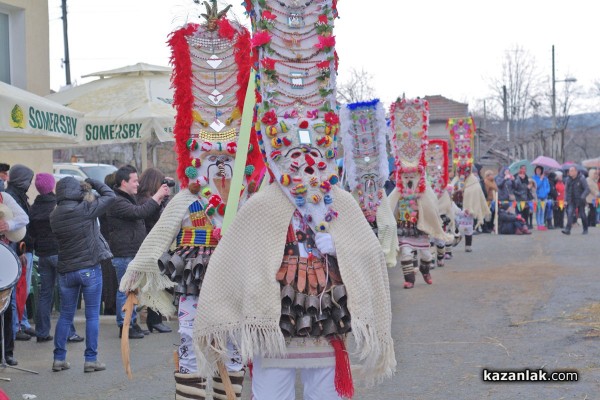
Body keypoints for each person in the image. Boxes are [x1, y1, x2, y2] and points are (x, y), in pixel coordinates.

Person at [49, 176, 115, 372]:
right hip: (89, 268)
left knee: (65, 316)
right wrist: (94, 182)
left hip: (66, 271)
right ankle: (90, 359)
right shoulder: (85, 209)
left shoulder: (54, 215)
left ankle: (59, 358)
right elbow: (110, 195)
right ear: (77, 191)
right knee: (92, 316)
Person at [106, 165, 170, 339]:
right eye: (134, 181)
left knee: (132, 290)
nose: (137, 184)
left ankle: (132, 323)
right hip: (124, 252)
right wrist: (158, 196)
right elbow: (140, 213)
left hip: (131, 251)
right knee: (125, 290)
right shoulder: (117, 201)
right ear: (123, 182)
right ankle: (125, 325)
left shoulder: (127, 198)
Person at [29, 173, 82, 343]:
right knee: (65, 292)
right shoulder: (57, 205)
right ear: (52, 186)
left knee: (45, 294)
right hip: (60, 253)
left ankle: (42, 332)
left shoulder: (33, 208)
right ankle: (69, 332)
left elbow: (31, 235)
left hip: (43, 255)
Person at [135, 167, 172, 333]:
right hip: (149, 246)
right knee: (152, 284)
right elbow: (155, 217)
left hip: (153, 246)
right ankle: (154, 320)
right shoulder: (144, 201)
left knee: (153, 284)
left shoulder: (148, 199)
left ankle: (154, 319)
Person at [5, 164, 35, 341]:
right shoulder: (13, 197)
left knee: (23, 289)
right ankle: (16, 326)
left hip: (24, 248)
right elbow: (21, 223)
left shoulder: (19, 196)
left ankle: (22, 322)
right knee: (17, 289)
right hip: (20, 250)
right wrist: (21, 250)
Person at [0, 190, 29, 366]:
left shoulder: (5, 197)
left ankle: (7, 352)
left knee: (6, 307)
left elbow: (23, 218)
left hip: (4, 256)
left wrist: (8, 225)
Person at [98, 172, 118, 316]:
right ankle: (112, 306)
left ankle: (108, 306)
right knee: (112, 277)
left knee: (108, 277)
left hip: (104, 241)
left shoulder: (101, 201)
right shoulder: (113, 201)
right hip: (112, 241)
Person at [562, 166, 590, 235]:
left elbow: (587, 189)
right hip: (571, 200)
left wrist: (583, 196)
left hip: (580, 199)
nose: (570, 172)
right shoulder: (568, 179)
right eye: (569, 171)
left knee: (582, 215)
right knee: (570, 213)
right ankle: (567, 229)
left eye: (571, 171)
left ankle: (585, 229)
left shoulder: (582, 178)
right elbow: (566, 190)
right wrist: (565, 199)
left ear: (576, 171)